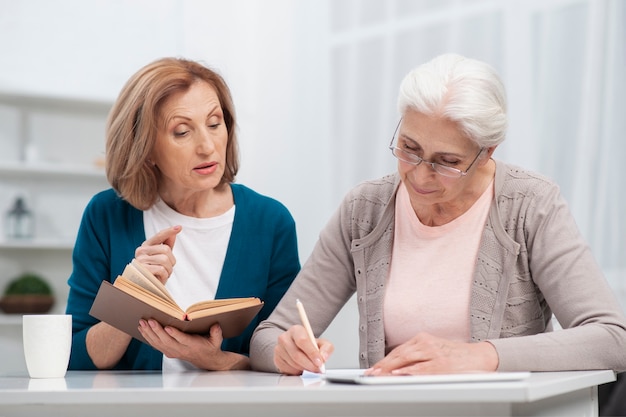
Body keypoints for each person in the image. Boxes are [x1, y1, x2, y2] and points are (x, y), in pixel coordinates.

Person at [249, 53, 626, 376]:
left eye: (448, 162)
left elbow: (613, 338)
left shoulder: (530, 205)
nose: (419, 173)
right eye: (409, 148)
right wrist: (285, 352)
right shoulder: (364, 210)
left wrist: (481, 356)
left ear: (488, 151)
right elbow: (268, 337)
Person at [66, 57, 300, 372]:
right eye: (181, 132)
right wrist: (132, 296)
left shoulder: (270, 222)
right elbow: (74, 358)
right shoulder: (107, 215)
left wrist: (210, 359)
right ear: (145, 148)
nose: (207, 146)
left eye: (215, 124)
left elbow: (284, 360)